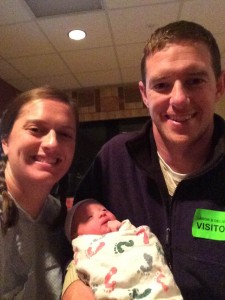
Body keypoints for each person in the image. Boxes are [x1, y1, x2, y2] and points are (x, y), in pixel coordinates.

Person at [62, 20, 225, 300]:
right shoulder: (115, 158)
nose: (179, 99)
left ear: (219, 86)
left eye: (195, 80)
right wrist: (73, 284)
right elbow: (76, 239)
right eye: (161, 85)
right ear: (144, 95)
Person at [0, 86, 83, 299]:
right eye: (36, 129)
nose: (52, 143)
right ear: (5, 141)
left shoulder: (59, 216)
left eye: (65, 134)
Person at [64, 198, 183, 299]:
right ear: (75, 235)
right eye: (89, 217)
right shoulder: (83, 245)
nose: (102, 214)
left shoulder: (125, 230)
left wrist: (123, 229)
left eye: (104, 209)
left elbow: (142, 238)